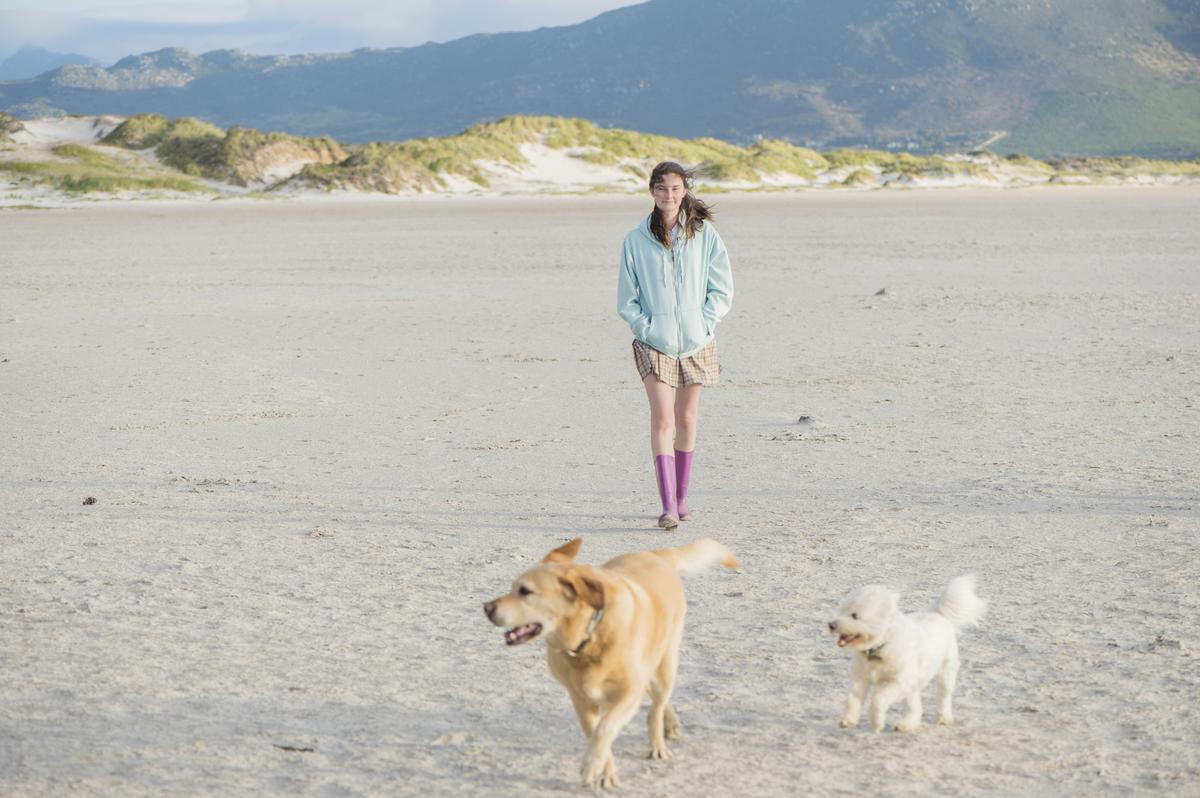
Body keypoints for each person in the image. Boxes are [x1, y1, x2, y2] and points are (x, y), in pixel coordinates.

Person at [617, 161, 734, 529]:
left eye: (676, 189)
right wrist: (647, 327)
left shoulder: (704, 234)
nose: (670, 195)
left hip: (698, 340)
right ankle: (667, 507)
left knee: (686, 418)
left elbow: (722, 287)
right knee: (663, 417)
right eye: (663, 188)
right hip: (655, 342)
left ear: (684, 192)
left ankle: (682, 500)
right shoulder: (635, 240)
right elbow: (627, 299)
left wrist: (705, 322)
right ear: (652, 191)